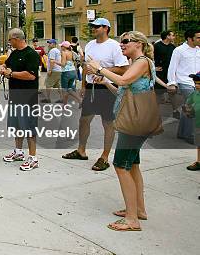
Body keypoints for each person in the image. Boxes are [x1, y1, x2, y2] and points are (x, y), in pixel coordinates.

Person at [86, 31, 155, 232]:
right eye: (120, 42)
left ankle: (132, 219)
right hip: (135, 119)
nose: (121, 45)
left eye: (125, 42)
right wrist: (106, 82)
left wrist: (100, 68)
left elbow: (124, 81)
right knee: (132, 165)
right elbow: (122, 91)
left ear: (139, 44)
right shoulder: (139, 64)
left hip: (135, 121)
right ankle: (138, 209)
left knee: (121, 165)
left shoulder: (141, 62)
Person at [62, 18, 129, 171]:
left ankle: (104, 157)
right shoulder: (90, 45)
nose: (93, 29)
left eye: (96, 27)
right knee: (84, 120)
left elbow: (123, 69)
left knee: (108, 123)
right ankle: (81, 151)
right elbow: (86, 66)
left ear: (106, 28)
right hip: (91, 87)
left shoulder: (114, 46)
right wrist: (83, 85)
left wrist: (102, 71)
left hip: (107, 87)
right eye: (92, 26)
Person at [0, 28, 41, 171]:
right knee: (17, 125)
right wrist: (3, 68)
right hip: (15, 96)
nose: (9, 42)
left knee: (29, 127)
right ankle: (18, 152)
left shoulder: (32, 54)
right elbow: (7, 64)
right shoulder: (14, 53)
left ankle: (33, 158)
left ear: (16, 38)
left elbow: (31, 75)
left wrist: (11, 74)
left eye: (10, 39)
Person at [167, 28, 200, 144]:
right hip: (184, 81)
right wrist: (171, 82)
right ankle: (190, 135)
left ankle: (182, 133)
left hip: (196, 82)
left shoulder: (198, 50)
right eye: (198, 37)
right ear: (190, 39)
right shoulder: (179, 50)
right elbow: (172, 67)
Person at [55, 41, 82, 105]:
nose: (61, 47)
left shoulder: (64, 53)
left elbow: (63, 64)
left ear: (64, 47)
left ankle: (64, 105)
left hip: (66, 73)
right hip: (73, 72)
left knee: (64, 90)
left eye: (61, 46)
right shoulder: (71, 52)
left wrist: (55, 62)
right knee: (69, 89)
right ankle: (80, 100)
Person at [183, 71, 200, 171]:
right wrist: (188, 111)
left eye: (199, 84)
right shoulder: (195, 94)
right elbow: (188, 104)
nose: (197, 86)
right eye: (196, 83)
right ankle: (199, 161)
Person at [153, 31, 176, 102]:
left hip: (169, 71)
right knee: (159, 90)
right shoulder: (156, 46)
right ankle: (159, 102)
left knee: (171, 86)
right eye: (173, 35)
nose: (174, 37)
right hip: (160, 71)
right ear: (167, 36)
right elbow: (151, 57)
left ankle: (171, 102)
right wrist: (154, 68)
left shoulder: (173, 47)